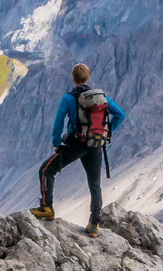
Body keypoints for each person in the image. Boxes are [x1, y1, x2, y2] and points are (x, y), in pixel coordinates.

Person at [31, 63, 127, 237]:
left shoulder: (69, 98)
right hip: (96, 145)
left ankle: (47, 208)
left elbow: (58, 121)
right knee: (95, 184)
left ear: (73, 78)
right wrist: (107, 132)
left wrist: (56, 142)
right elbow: (120, 114)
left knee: (46, 170)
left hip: (77, 144)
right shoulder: (101, 97)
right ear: (87, 78)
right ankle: (94, 225)